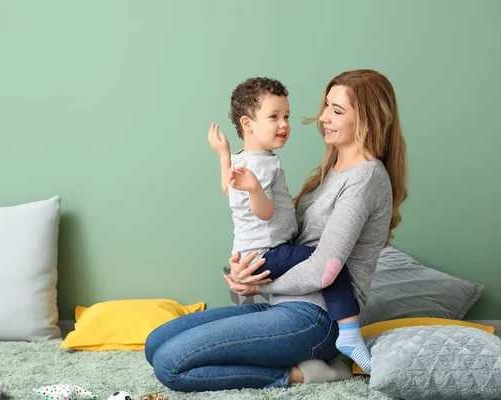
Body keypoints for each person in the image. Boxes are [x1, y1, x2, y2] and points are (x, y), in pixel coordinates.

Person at [145, 69, 408, 392]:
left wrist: (260, 287)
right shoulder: (330, 172)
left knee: (170, 365)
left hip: (316, 318)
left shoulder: (365, 178)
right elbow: (279, 244)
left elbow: (323, 269)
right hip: (282, 306)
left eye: (337, 111)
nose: (323, 117)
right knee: (155, 343)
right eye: (326, 105)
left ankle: (303, 373)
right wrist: (247, 276)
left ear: (368, 119)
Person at [207, 77, 369, 371]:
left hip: (249, 253)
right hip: (269, 252)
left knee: (327, 266)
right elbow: (265, 213)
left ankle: (346, 333)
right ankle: (349, 332)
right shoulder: (263, 165)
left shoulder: (243, 159)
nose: (284, 124)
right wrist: (256, 189)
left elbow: (227, 189)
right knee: (332, 266)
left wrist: (223, 155)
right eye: (274, 117)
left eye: (286, 117)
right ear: (248, 124)